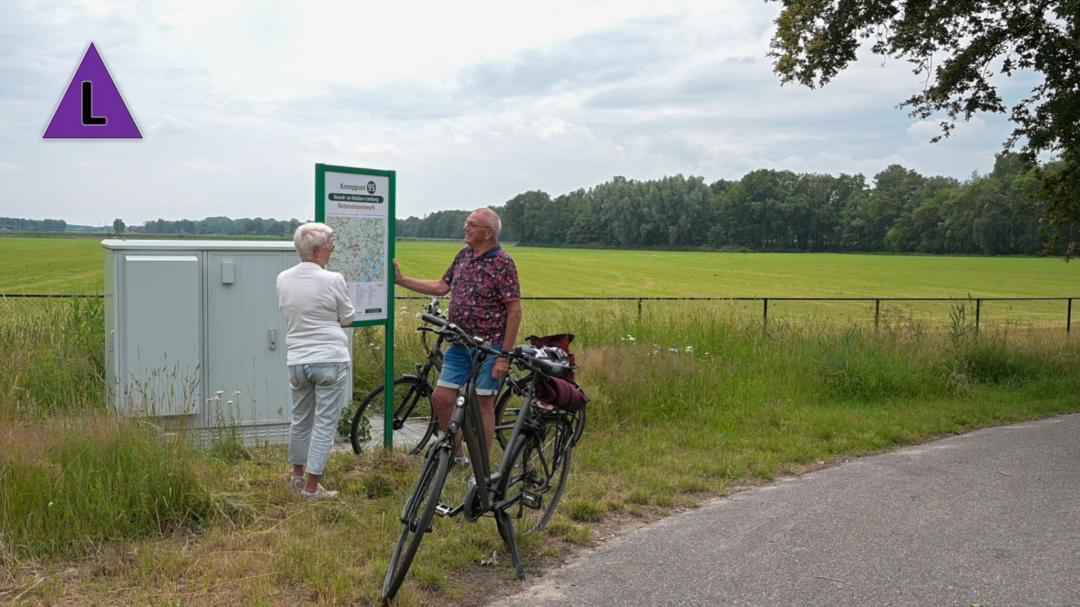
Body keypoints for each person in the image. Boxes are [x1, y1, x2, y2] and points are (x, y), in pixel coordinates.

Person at [394, 208, 522, 462]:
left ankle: (482, 465)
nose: (466, 228)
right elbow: (442, 287)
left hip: (490, 347)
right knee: (441, 398)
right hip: (460, 343)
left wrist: (504, 356)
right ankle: (458, 455)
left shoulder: (503, 263)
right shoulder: (464, 255)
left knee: (484, 402)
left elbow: (515, 310)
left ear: (488, 232)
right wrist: (401, 280)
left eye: (471, 224)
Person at [277, 222, 355, 500]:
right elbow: (347, 317)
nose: (332, 249)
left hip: (297, 358)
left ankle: (297, 475)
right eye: (330, 244)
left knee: (300, 420)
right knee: (324, 423)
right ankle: (312, 488)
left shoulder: (283, 278)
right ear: (320, 250)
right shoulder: (332, 279)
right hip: (330, 358)